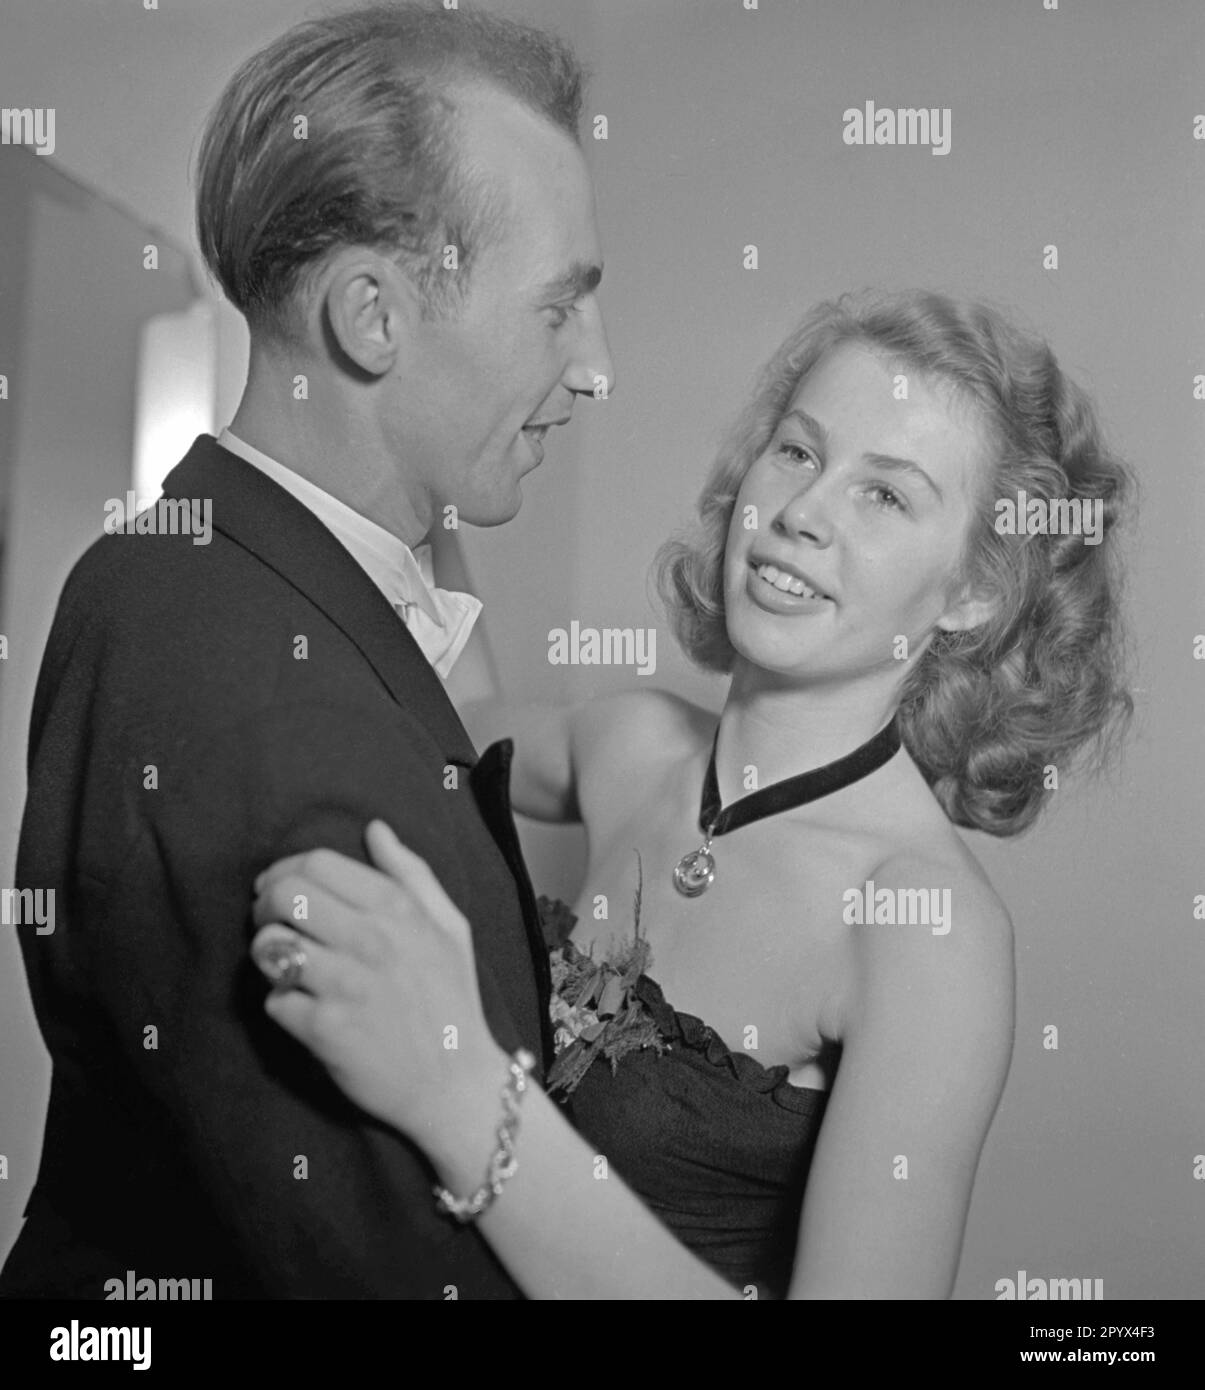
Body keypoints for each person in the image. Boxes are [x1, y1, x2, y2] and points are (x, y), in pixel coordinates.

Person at [250, 290, 1133, 1299]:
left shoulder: (923, 927)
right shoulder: (631, 744)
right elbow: (446, 712)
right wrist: (414, 462)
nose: (801, 513)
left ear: (974, 589)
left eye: (884, 495)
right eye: (798, 452)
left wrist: (462, 1098)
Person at [0, 3, 613, 1299]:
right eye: (560, 308)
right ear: (372, 318)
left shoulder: (217, 567)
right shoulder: (256, 690)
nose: (595, 367)